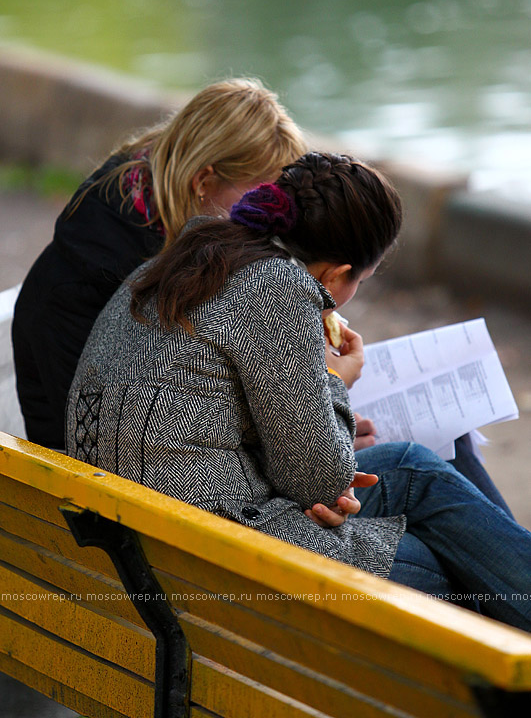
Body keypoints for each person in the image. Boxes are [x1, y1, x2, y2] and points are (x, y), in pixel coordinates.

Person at [66, 152, 531, 631]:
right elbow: (319, 482)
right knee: (459, 568)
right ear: (334, 273)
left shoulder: (194, 250)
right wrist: (334, 379)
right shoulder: (279, 288)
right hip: (218, 561)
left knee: (418, 465)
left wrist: (318, 461)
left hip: (144, 540)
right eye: (359, 282)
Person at [12, 78, 307, 450]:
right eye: (259, 196)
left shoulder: (176, 237)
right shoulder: (87, 279)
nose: (269, 218)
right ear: (203, 181)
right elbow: (121, 439)